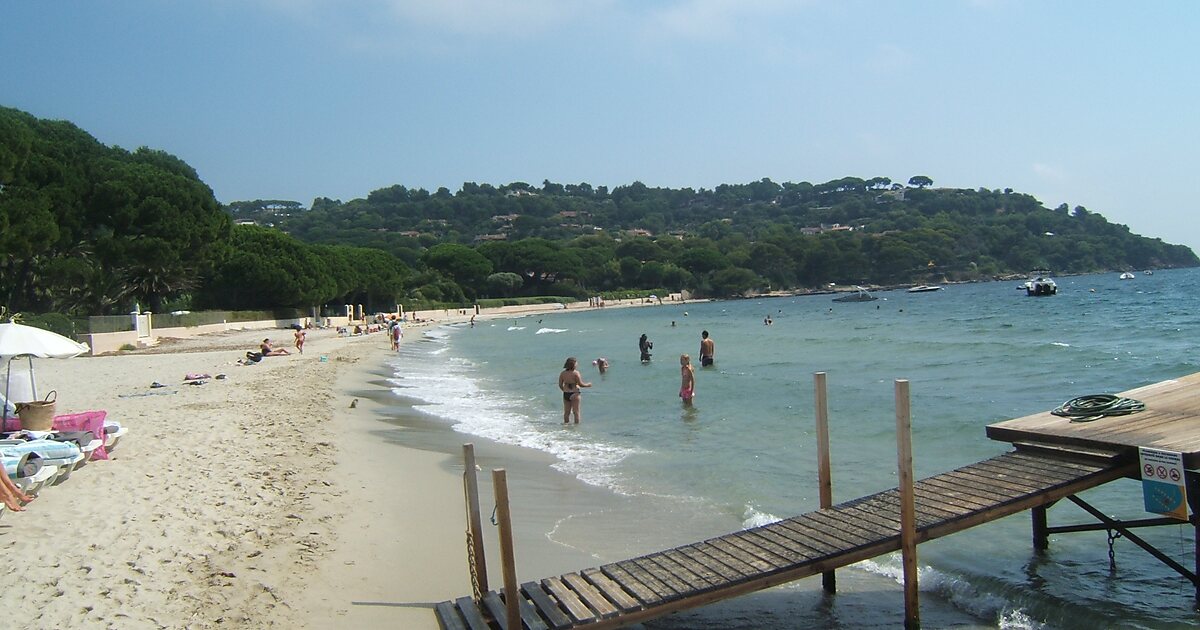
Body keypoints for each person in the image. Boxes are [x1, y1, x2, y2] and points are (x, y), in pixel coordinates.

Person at [558, 357, 592, 424]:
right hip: (575, 393)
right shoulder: (576, 373)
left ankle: (566, 425)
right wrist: (588, 385)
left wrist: (564, 390)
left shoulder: (563, 373)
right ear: (573, 364)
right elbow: (581, 384)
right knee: (576, 412)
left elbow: (560, 385)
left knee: (566, 412)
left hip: (566, 393)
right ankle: (576, 429)